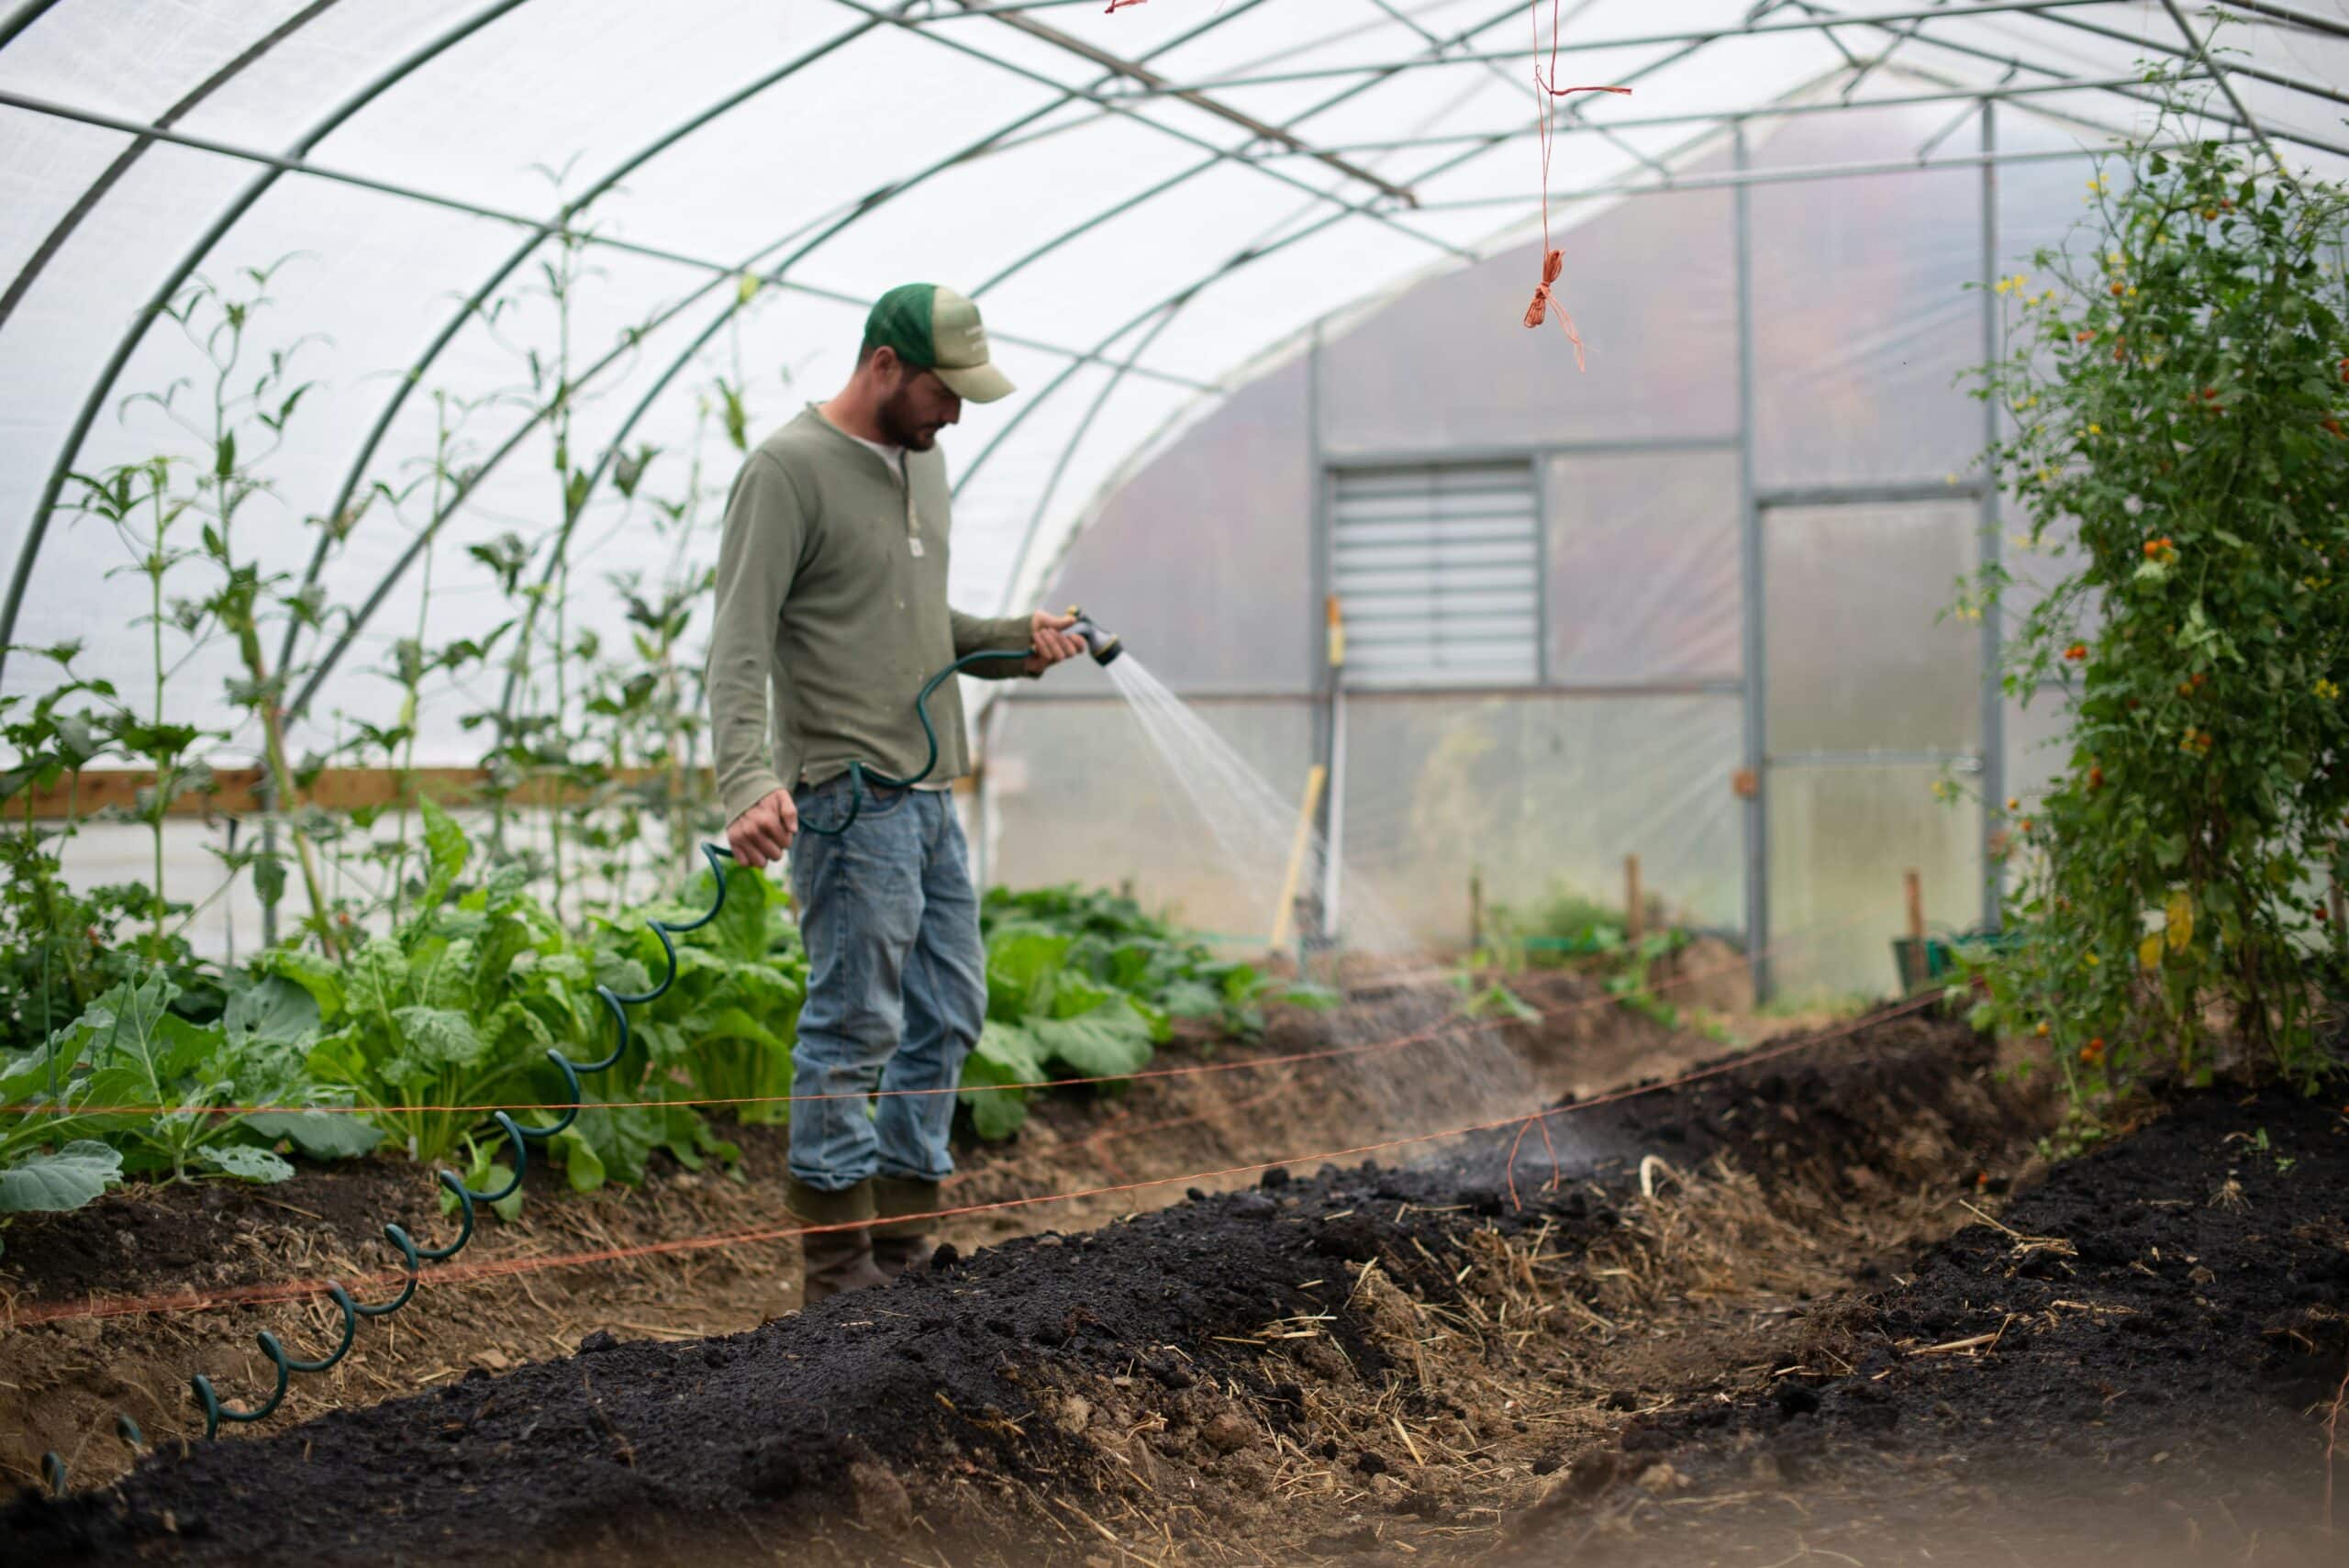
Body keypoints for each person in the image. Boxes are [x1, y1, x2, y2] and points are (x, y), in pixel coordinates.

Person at [706, 283, 1086, 1305]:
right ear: (884, 365)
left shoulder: (926, 463)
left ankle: (904, 1254)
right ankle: (837, 1271)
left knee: (950, 1006)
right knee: (852, 1023)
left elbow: (919, 628)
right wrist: (747, 779)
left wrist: (1018, 640)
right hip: (848, 796)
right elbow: (738, 644)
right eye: (943, 390)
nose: (956, 412)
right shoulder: (787, 471)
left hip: (928, 796)